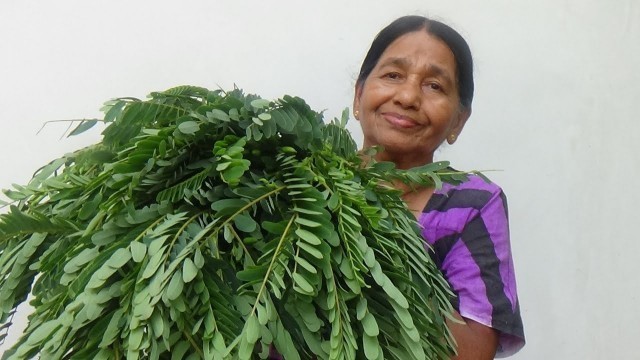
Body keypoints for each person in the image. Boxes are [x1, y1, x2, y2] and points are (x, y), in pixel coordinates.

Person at [353, 15, 525, 358]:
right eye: (393, 75)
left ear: (458, 121)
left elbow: (473, 349)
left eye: (434, 86)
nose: (407, 96)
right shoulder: (299, 182)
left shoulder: (473, 203)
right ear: (359, 96)